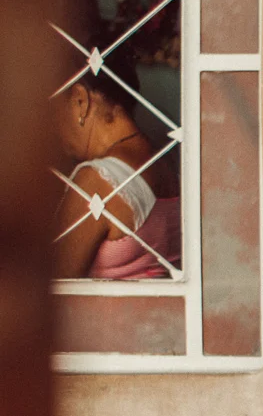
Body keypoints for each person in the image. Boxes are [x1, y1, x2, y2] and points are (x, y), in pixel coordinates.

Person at [53, 74, 181, 279]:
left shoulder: (96, 181)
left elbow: (50, 284)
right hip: (167, 311)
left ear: (80, 100)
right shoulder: (166, 161)